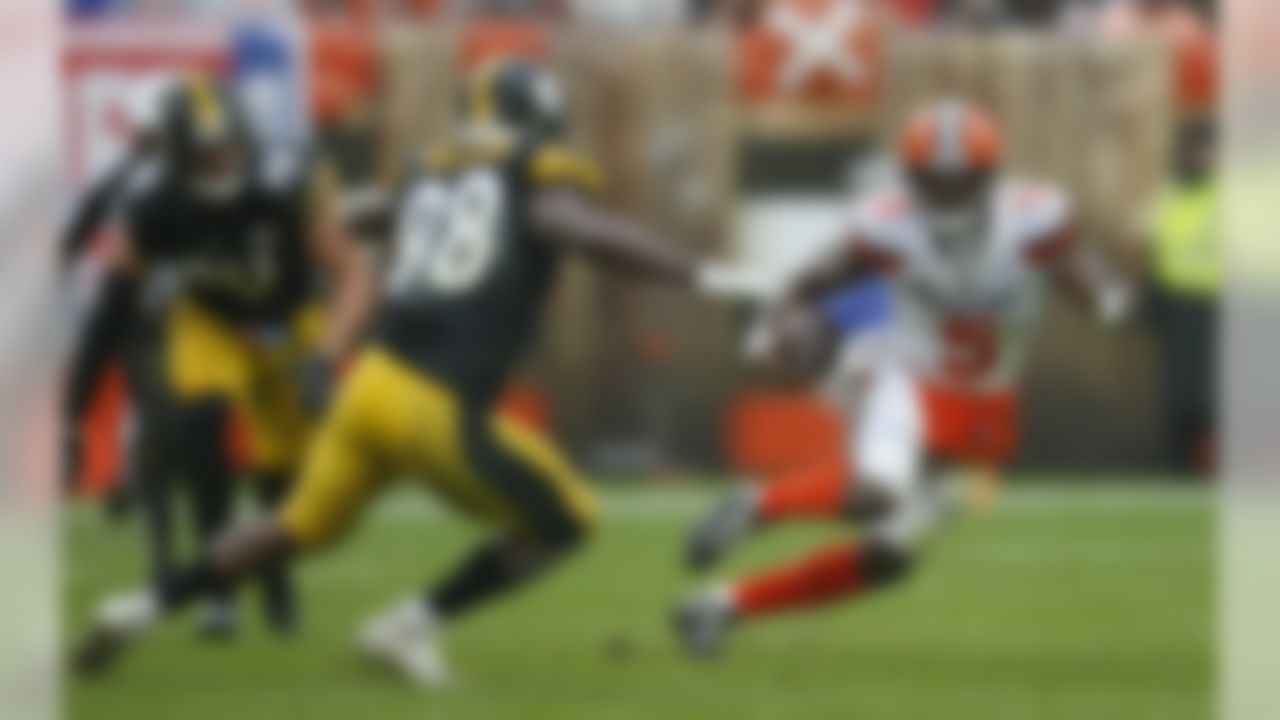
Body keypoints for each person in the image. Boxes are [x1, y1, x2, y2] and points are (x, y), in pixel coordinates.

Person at [72, 58, 755, 686]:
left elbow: (363, 213)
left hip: (370, 381)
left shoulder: (428, 164)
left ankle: (135, 608)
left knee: (297, 524)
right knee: (570, 516)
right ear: (543, 122)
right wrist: (696, 272)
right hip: (434, 399)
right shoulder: (536, 170)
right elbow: (582, 230)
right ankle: (411, 624)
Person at [675, 99, 1132, 657]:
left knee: (888, 557)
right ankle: (755, 506)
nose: (946, 194)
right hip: (905, 375)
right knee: (877, 493)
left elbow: (1074, 265)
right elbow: (811, 279)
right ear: (910, 179)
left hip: (987, 404)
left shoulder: (1034, 219)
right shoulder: (887, 225)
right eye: (934, 182)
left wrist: (1108, 300)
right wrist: (772, 329)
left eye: (960, 181)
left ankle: (720, 607)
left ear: (988, 177)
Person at [73, 71, 373, 638]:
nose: (220, 163)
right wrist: (73, 415)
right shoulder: (152, 200)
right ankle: (221, 592)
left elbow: (353, 271)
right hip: (209, 317)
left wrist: (327, 353)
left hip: (286, 318)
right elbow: (107, 311)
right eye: (206, 155)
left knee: (284, 473)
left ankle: (271, 573)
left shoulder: (287, 182)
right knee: (199, 420)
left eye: (229, 149)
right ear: (181, 157)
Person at [1146, 119, 1218, 471]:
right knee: (1186, 393)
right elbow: (1160, 247)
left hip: (1229, 302)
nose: (1204, 158)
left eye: (1210, 149)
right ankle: (1183, 465)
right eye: (1199, 149)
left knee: (1221, 392)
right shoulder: (1172, 195)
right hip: (1181, 302)